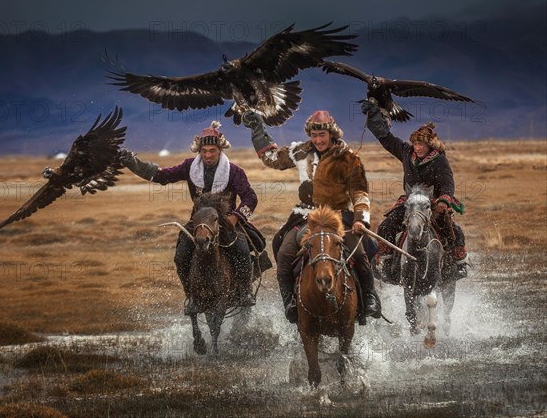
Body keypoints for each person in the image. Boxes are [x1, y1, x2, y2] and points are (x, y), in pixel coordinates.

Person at [243, 109, 382, 324]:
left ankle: (370, 299)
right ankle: (290, 303)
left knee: (361, 255)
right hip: (306, 217)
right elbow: (271, 158)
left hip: (338, 217)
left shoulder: (348, 157)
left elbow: (359, 192)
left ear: (332, 134)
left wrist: (360, 219)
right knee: (285, 254)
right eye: (314, 136)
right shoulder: (300, 151)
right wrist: (257, 130)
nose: (317, 140)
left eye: (322, 136)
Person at [119, 121, 259, 315]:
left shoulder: (234, 171)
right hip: (198, 223)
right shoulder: (188, 167)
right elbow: (162, 176)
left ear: (220, 150)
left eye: (212, 150)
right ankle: (191, 296)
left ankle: (245, 292)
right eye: (204, 151)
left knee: (242, 249)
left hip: (226, 222)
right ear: (199, 150)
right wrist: (133, 164)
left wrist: (235, 217)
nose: (208, 155)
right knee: (180, 255)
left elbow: (250, 197)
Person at [361, 100, 469, 281]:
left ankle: (458, 264)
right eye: (416, 144)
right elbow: (386, 138)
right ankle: (387, 265)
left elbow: (447, 183)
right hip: (410, 201)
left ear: (430, 146)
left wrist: (443, 200)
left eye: (422, 145)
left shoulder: (439, 160)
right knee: (386, 226)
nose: (418, 148)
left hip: (434, 203)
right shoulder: (406, 152)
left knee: (454, 232)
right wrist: (373, 117)